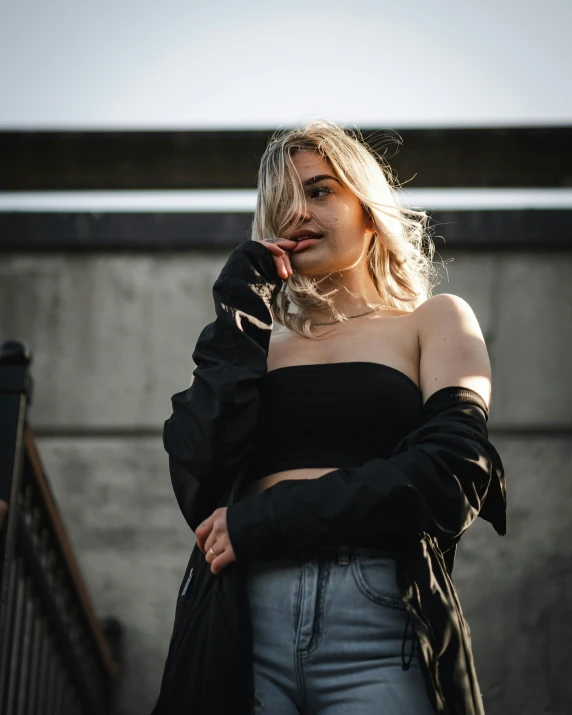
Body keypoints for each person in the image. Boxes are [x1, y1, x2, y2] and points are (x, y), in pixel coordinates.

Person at [151, 118, 506, 715]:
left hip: (377, 617)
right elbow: (199, 476)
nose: (300, 213)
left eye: (320, 191)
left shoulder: (433, 321)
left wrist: (268, 519)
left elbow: (453, 471)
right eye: (283, 201)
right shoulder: (254, 342)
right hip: (242, 622)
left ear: (368, 208)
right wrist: (240, 308)